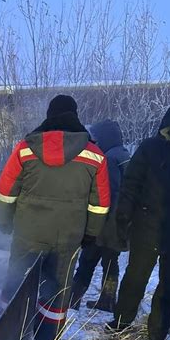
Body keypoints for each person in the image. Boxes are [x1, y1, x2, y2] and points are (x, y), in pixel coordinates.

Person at [0, 95, 110, 340]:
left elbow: (6, 190)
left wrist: (4, 221)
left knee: (17, 278)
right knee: (58, 285)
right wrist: (90, 234)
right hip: (68, 236)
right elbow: (100, 204)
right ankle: (46, 337)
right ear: (75, 115)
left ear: (49, 115)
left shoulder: (25, 148)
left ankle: (6, 331)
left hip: (28, 231)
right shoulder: (95, 155)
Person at [106, 102, 170, 340]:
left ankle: (157, 338)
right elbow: (130, 186)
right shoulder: (150, 149)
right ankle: (120, 324)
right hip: (147, 227)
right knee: (135, 278)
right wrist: (122, 219)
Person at [70, 119, 130, 312]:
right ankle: (107, 301)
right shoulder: (124, 154)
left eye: (97, 137)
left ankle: (72, 299)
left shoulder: (109, 158)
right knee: (111, 263)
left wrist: (95, 224)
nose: (95, 141)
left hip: (106, 224)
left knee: (87, 260)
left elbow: (108, 193)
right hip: (120, 223)